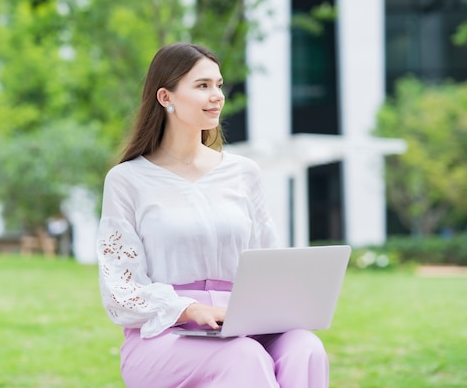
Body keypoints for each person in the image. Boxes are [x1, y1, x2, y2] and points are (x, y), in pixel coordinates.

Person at [96, 42, 329, 387]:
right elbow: (120, 288)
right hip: (164, 336)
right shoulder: (127, 180)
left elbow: (269, 259)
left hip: (243, 324)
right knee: (241, 357)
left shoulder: (243, 172)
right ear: (166, 97)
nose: (217, 95)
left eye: (218, 85)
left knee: (305, 347)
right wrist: (190, 309)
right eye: (202, 86)